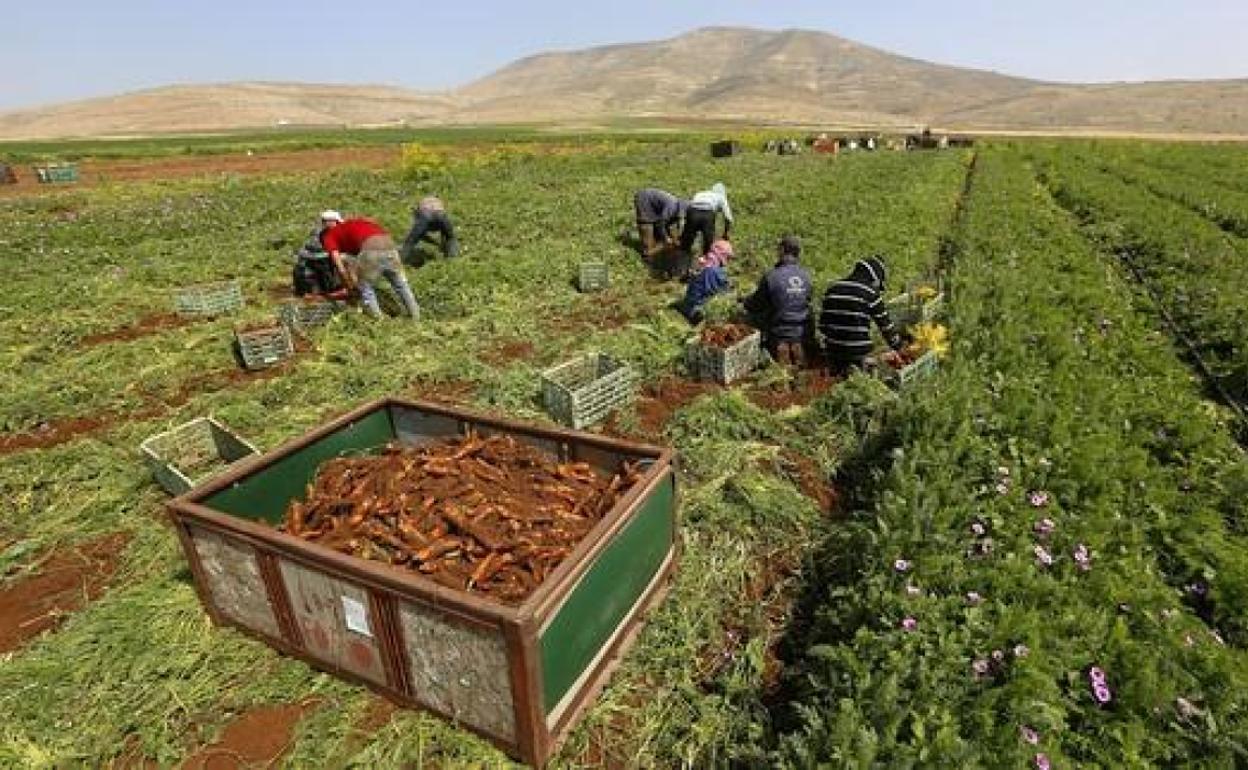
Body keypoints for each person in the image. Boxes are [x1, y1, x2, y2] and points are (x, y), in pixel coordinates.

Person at [319, 211, 420, 319]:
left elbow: (338, 263)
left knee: (366, 288)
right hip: (389, 245)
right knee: (401, 284)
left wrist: (348, 284)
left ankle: (379, 321)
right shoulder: (357, 223)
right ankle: (416, 317)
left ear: (328, 223)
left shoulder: (329, 235)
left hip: (370, 248)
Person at [819, 255, 905, 375]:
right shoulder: (870, 293)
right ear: (874, 279)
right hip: (858, 354)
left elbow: (823, 325)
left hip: (833, 352)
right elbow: (886, 327)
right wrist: (899, 347)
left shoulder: (832, 289)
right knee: (886, 354)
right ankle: (865, 366)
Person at [743, 235, 813, 367]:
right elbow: (807, 301)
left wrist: (744, 301)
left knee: (753, 318)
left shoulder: (772, 276)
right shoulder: (806, 276)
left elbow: (755, 305)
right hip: (801, 332)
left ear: (781, 250)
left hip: (778, 332)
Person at [675, 239, 732, 324]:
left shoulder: (703, 262)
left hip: (689, 301)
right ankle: (695, 317)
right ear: (722, 256)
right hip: (697, 307)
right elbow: (719, 289)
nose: (728, 260)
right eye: (727, 257)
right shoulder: (713, 271)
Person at [680, 182, 733, 265]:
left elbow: (690, 206)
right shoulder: (721, 197)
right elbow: (728, 218)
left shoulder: (701, 193)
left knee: (686, 242)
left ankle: (682, 265)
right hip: (707, 214)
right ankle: (705, 266)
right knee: (708, 244)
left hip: (692, 212)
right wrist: (725, 233)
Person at [399, 195, 459, 264]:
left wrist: (435, 243)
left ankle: (400, 260)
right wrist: (438, 244)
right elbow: (445, 233)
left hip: (426, 215)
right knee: (450, 238)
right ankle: (452, 260)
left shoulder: (419, 209)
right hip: (441, 215)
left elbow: (418, 234)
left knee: (410, 242)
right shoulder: (438, 203)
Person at [632, 188, 687, 258]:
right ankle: (647, 254)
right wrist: (666, 238)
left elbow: (676, 225)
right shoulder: (672, 207)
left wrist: (674, 237)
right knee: (646, 227)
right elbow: (660, 224)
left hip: (656, 206)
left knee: (663, 237)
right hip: (644, 200)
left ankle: (658, 243)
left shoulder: (681, 209)